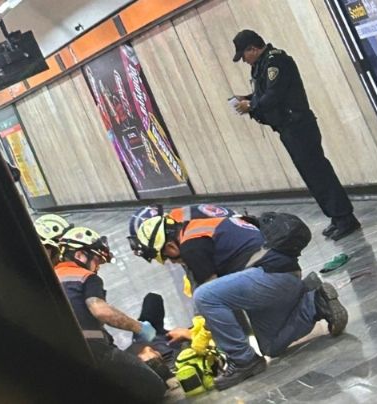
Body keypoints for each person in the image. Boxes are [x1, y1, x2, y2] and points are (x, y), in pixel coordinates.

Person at [135, 215, 348, 390]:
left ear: (171, 246)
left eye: (169, 257)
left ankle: (243, 361)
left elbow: (207, 303)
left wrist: (195, 339)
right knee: (272, 346)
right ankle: (316, 303)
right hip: (283, 278)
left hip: (269, 278)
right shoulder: (201, 225)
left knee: (204, 296)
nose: (174, 261)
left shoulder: (192, 246)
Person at [231, 29, 360, 241]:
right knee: (311, 175)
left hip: (299, 125)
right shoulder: (262, 65)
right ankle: (336, 217)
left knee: (319, 172)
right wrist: (245, 98)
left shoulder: (276, 62)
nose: (244, 61)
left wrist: (251, 106)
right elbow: (265, 93)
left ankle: (345, 218)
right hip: (287, 127)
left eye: (243, 55)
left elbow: (274, 94)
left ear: (252, 48)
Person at [54, 226, 167, 402]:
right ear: (80, 255)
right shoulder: (84, 276)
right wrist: (139, 328)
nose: (98, 266)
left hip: (56, 357)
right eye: (97, 260)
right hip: (91, 350)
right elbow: (101, 310)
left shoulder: (50, 276)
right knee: (153, 387)